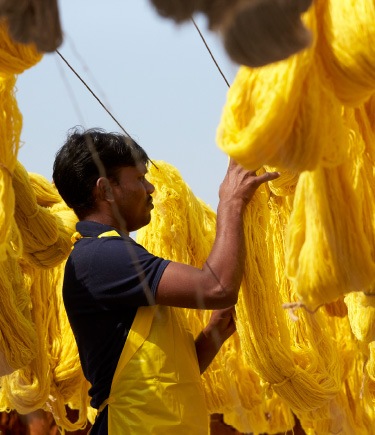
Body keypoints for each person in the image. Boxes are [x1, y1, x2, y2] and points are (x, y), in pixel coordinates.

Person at [52, 127, 279, 435]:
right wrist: (231, 202)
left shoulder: (111, 256)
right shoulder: (102, 256)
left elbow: (160, 378)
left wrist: (213, 334)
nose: (150, 188)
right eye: (140, 179)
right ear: (105, 190)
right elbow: (217, 287)